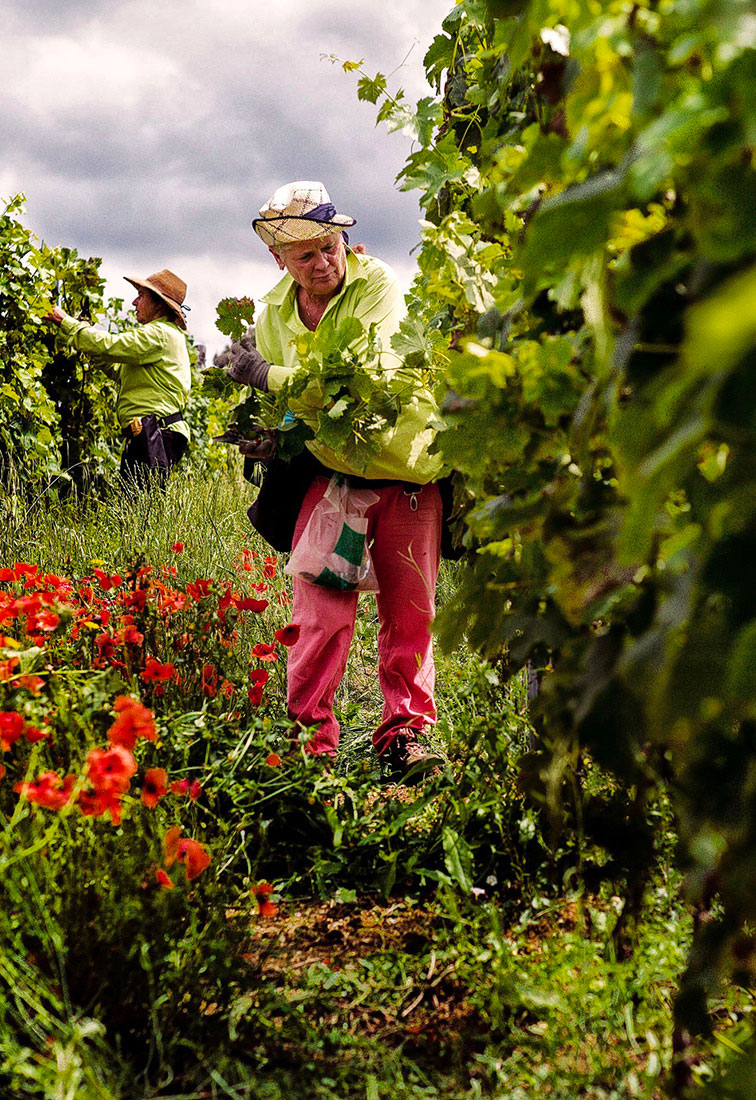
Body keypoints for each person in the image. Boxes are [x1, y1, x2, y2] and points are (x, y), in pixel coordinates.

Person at [223, 181, 446, 782]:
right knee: (320, 607)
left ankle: (407, 734)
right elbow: (302, 409)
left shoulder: (377, 286)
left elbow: (359, 383)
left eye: (331, 246)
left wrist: (267, 376)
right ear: (280, 261)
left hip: (407, 471)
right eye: (306, 255)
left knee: (410, 608)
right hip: (337, 473)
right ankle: (308, 740)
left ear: (344, 239)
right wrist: (273, 436)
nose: (324, 263)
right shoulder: (273, 315)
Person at [47, 269, 191, 486]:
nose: (134, 301)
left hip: (154, 433)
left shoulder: (159, 333)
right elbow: (118, 369)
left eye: (141, 295)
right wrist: (87, 341)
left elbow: (111, 346)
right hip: (153, 432)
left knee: (139, 510)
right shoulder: (164, 336)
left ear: (159, 304)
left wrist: (67, 322)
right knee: (138, 507)